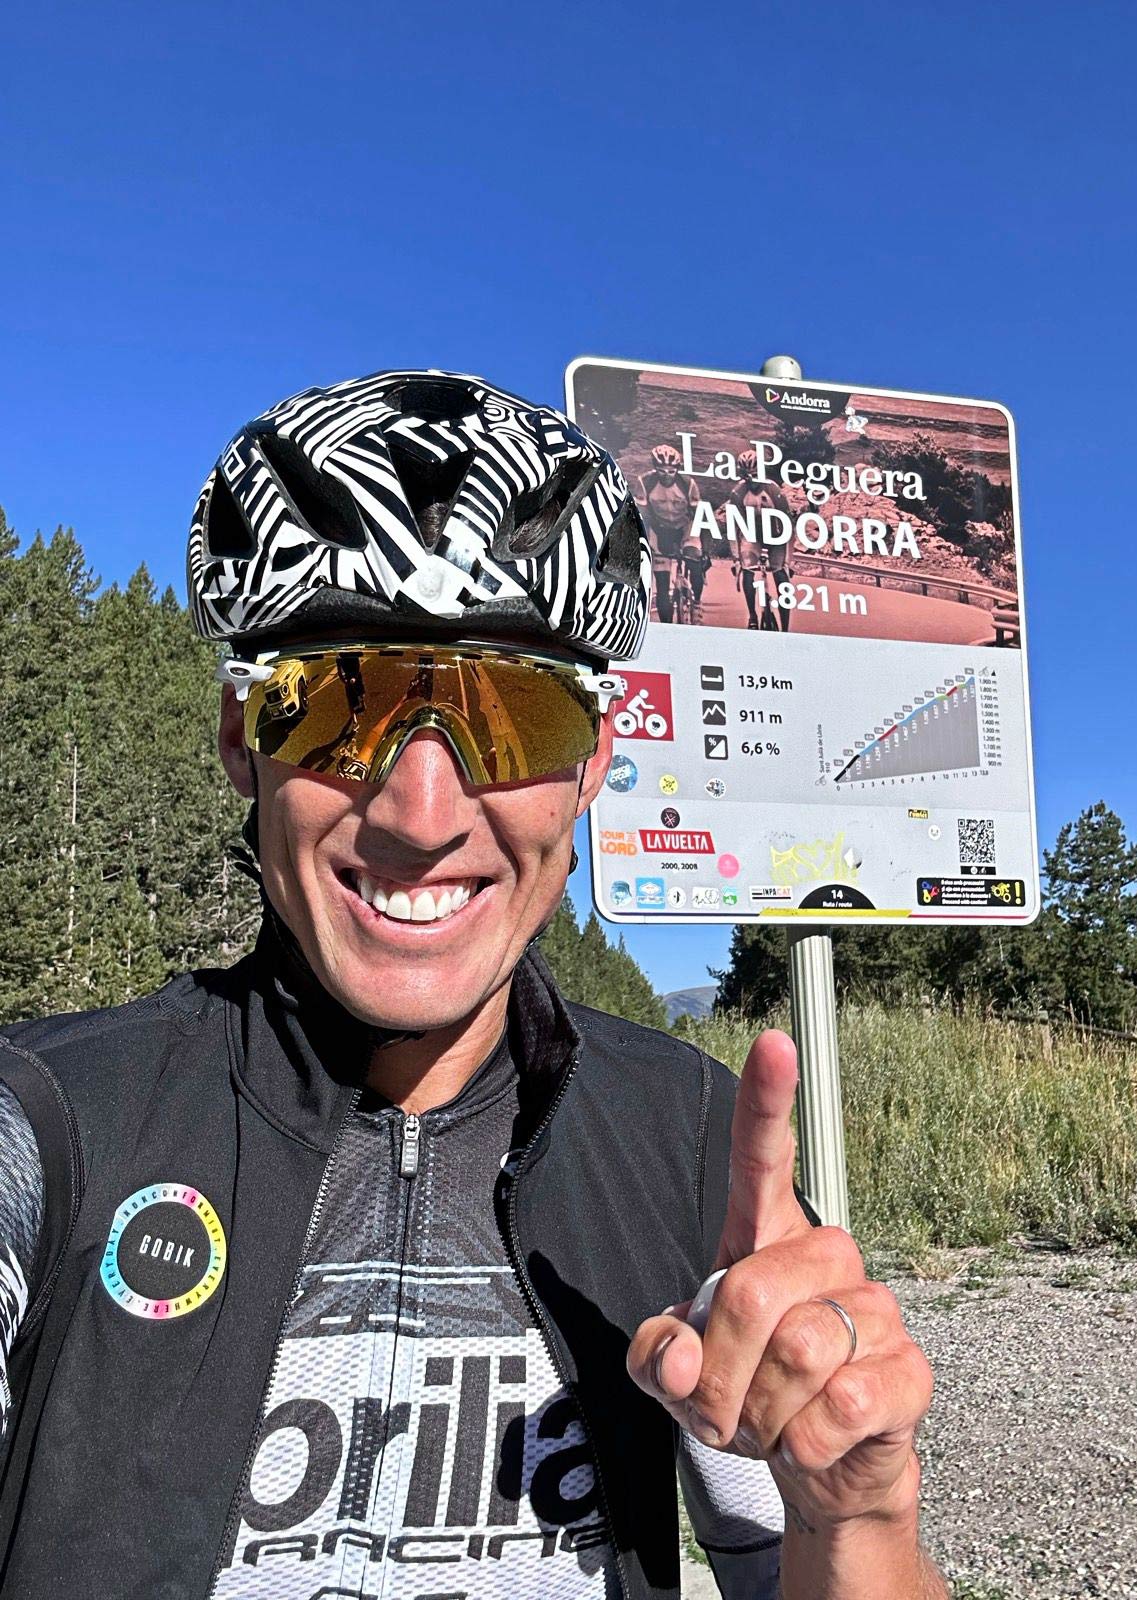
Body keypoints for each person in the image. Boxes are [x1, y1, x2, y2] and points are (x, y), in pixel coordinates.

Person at [0, 371, 945, 1600]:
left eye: (520, 718)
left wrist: (855, 1515)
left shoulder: (686, 1141)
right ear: (242, 738)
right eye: (340, 704)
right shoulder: (51, 1123)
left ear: (596, 760)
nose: (425, 813)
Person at [634, 444, 707, 623]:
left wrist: (704, 547)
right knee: (662, 581)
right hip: (659, 529)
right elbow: (643, 515)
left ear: (677, 469)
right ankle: (667, 625)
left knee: (694, 559)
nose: (667, 475)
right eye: (662, 470)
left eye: (671, 471)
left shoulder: (688, 484)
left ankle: (696, 602)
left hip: (685, 528)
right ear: (655, 468)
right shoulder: (645, 482)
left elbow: (699, 516)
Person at [728, 449, 795, 631]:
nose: (752, 480)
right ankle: (752, 614)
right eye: (747, 476)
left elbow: (789, 525)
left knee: (781, 575)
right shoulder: (738, 493)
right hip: (752, 537)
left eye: (756, 475)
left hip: (776, 537)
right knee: (747, 569)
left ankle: (785, 626)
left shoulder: (773, 489)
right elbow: (733, 528)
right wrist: (736, 559)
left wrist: (788, 561)